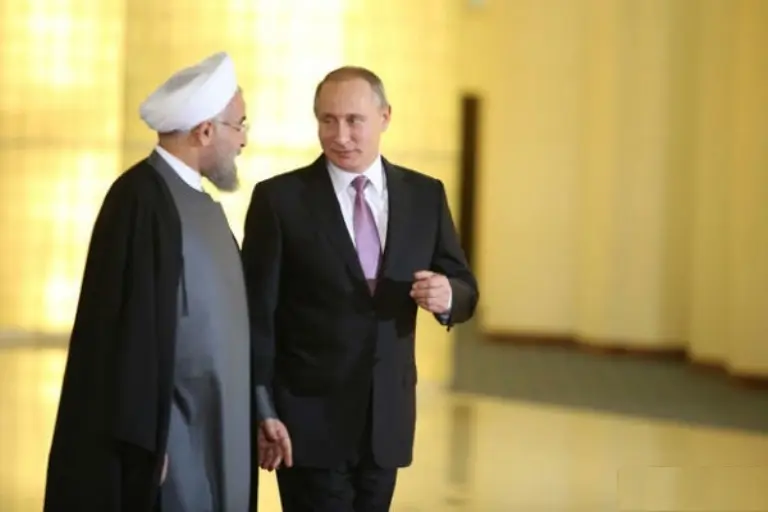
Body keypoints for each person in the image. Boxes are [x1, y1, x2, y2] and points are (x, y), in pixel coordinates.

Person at [241, 66, 479, 511]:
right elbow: (256, 316)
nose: (340, 136)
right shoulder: (280, 200)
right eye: (327, 120)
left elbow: (465, 287)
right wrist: (260, 407)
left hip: (386, 422)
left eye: (354, 120)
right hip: (306, 422)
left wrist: (448, 296)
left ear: (385, 117)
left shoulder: (425, 196)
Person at [43, 51, 253, 512]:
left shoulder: (202, 204)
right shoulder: (139, 200)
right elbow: (119, 337)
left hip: (218, 428)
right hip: (172, 440)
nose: (242, 140)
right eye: (239, 125)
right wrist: (144, 446)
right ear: (204, 131)